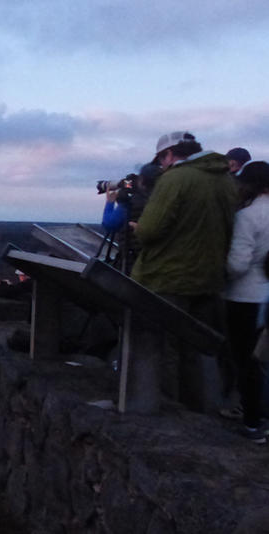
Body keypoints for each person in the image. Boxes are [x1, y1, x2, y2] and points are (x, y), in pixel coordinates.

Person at [126, 131, 237, 413]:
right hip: (209, 278)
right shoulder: (224, 179)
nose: (161, 166)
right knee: (198, 350)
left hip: (168, 277)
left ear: (169, 154)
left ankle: (168, 411)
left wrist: (138, 229)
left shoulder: (174, 178)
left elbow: (150, 231)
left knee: (164, 348)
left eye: (162, 160)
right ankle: (202, 412)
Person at [224, 161, 269, 442]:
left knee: (247, 361)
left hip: (246, 297)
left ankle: (253, 423)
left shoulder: (248, 216)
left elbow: (237, 265)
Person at [101, 163, 162, 273]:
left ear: (142, 181)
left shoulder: (131, 203)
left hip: (133, 263)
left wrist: (110, 203)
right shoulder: (162, 200)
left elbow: (110, 224)